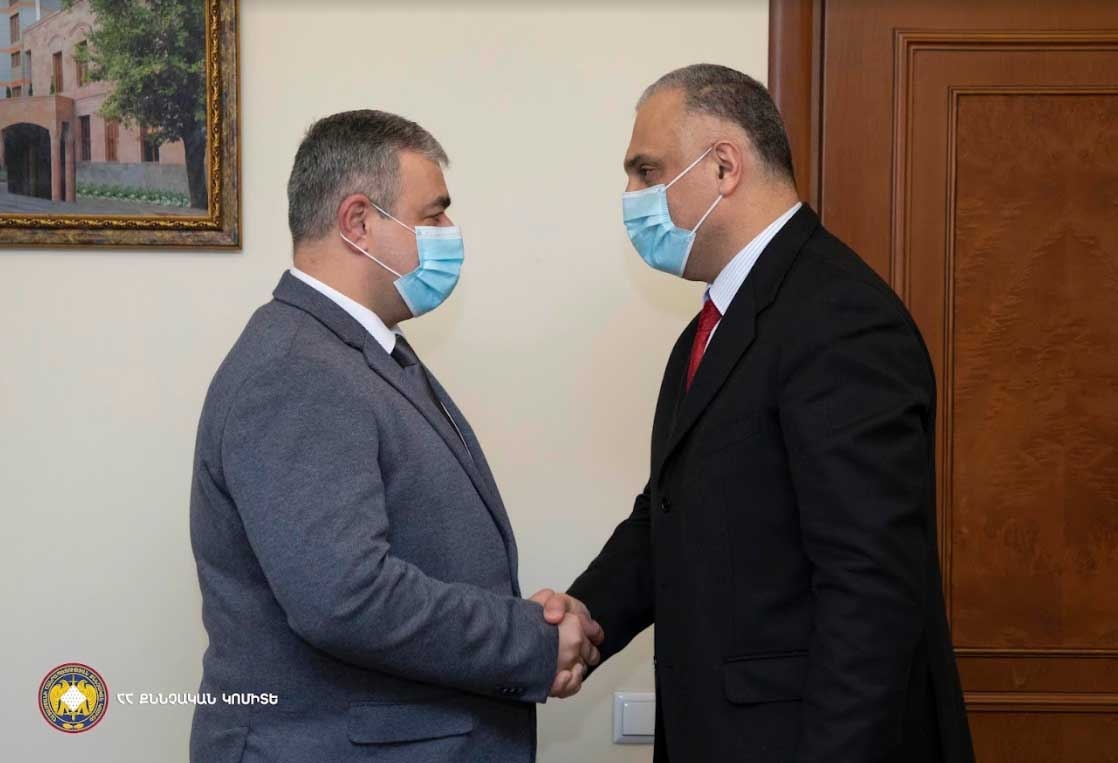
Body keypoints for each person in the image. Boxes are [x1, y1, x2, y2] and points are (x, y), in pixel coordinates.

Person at [535, 64, 975, 762]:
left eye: (647, 172)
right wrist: (584, 616)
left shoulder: (839, 318)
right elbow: (670, 512)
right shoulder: (713, 326)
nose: (632, 197)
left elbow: (869, 590)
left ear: (723, 166)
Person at [189, 109, 601, 763]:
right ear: (358, 222)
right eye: (433, 214)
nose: (449, 233)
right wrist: (528, 640)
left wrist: (530, 627)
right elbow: (346, 597)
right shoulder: (298, 369)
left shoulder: (354, 351)